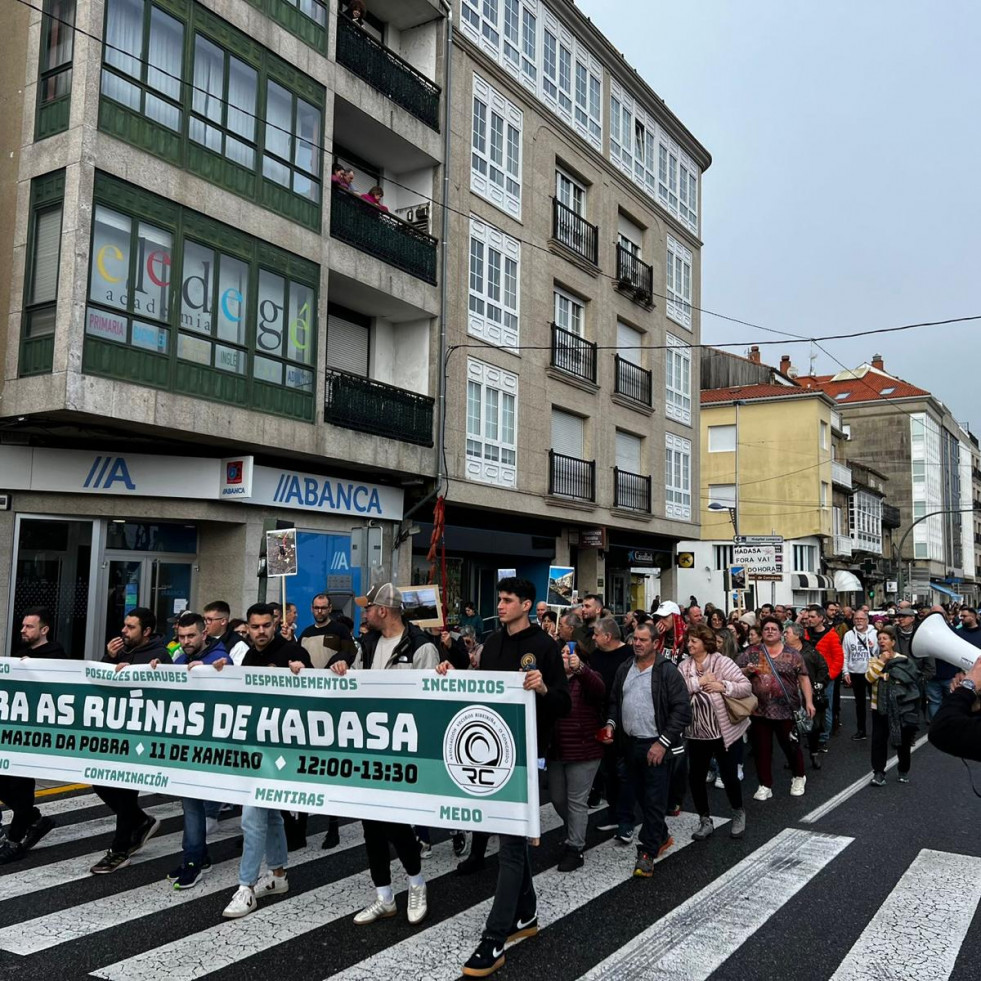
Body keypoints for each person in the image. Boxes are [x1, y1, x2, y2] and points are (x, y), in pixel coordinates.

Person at [444, 577, 569, 979]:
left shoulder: (546, 647)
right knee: (508, 838)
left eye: (507, 600)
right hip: (491, 757)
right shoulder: (493, 643)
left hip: (525, 758)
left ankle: (494, 939)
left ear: (527, 605)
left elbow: (563, 703)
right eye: (498, 598)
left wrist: (544, 687)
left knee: (512, 846)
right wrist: (452, 672)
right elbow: (480, 689)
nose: (499, 605)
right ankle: (527, 912)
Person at [331, 583, 438, 927]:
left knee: (394, 822)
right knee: (371, 826)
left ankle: (417, 882)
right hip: (370, 745)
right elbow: (357, 685)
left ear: (383, 610)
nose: (363, 613)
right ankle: (384, 896)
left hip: (403, 748)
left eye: (367, 607)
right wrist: (342, 671)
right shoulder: (368, 644)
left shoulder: (421, 647)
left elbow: (430, 701)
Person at [222, 604, 310, 917]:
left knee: (251, 817)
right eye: (255, 626)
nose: (260, 631)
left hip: (282, 752)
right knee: (270, 815)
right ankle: (278, 876)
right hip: (256, 749)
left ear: (274, 625)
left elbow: (315, 694)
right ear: (247, 626)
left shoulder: (292, 650)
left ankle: (246, 886)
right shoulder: (247, 656)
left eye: (265, 626)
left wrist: (299, 673)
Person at [602, 622, 691, 878]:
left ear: (655, 643)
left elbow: (682, 710)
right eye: (635, 639)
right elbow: (614, 702)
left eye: (643, 640)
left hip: (656, 745)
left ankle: (647, 852)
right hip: (629, 745)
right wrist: (611, 724)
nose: (637, 644)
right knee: (639, 795)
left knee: (654, 800)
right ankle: (661, 836)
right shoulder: (624, 669)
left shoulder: (667, 672)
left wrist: (662, 743)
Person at [90, 607, 172, 874]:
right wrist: (108, 658)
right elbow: (100, 685)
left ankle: (119, 849)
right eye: (124, 625)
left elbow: (167, 692)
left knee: (125, 793)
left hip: (142, 736)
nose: (123, 631)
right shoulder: (121, 650)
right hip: (117, 732)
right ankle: (141, 821)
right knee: (100, 781)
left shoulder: (160, 655)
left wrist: (140, 672)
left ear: (146, 631)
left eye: (130, 627)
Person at [154, 612, 227, 890]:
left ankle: (193, 861)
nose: (185, 642)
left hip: (212, 746)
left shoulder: (220, 657)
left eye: (191, 636)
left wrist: (215, 670)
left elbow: (226, 670)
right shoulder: (179, 659)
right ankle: (198, 855)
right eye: (181, 637)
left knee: (194, 805)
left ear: (204, 634)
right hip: (190, 745)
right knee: (190, 803)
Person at [0, 609, 62, 864]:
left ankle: (15, 840)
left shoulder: (56, 656)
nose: (23, 630)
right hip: (14, 730)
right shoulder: (20, 654)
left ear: (44, 630)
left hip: (34, 734)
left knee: (21, 785)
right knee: (4, 782)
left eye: (29, 626)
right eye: (23, 626)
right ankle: (34, 819)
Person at [678, 624, 750, 840]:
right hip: (696, 732)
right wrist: (700, 682)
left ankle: (738, 812)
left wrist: (723, 686)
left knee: (729, 776)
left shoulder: (721, 662)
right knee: (696, 778)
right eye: (688, 640)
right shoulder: (684, 666)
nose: (689, 644)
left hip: (724, 732)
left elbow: (745, 686)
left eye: (694, 641)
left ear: (705, 643)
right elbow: (678, 691)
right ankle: (705, 819)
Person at [737, 616, 815, 800]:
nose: (770, 631)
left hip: (787, 709)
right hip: (760, 710)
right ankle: (765, 784)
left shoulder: (792, 654)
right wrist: (747, 671)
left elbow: (804, 678)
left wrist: (809, 702)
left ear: (781, 633)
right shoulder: (754, 652)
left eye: (774, 629)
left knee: (791, 746)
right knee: (762, 750)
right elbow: (737, 672)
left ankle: (798, 776)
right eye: (766, 629)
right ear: (761, 633)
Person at [548, 642, 605, 871]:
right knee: (557, 798)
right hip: (557, 750)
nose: (564, 656)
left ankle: (575, 847)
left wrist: (581, 669)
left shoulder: (588, 678)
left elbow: (599, 689)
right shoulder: (553, 681)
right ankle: (575, 829)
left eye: (568, 652)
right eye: (560, 652)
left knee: (576, 801)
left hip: (584, 750)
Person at [590, 618, 635, 838]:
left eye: (596, 634)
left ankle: (626, 820)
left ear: (608, 636)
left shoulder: (628, 656)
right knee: (608, 771)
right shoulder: (596, 656)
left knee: (623, 772)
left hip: (625, 720)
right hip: (602, 719)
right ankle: (615, 814)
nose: (593, 638)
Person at [867, 625, 920, 786]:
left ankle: (903, 770)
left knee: (902, 741)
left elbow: (907, 678)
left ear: (893, 642)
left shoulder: (903, 660)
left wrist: (883, 676)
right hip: (879, 707)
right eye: (879, 639)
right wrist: (882, 663)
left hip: (900, 707)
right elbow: (869, 678)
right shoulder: (874, 659)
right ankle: (878, 772)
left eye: (885, 639)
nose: (881, 641)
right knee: (878, 741)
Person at [784, 622, 829, 771]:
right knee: (791, 728)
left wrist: (818, 683)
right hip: (790, 695)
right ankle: (793, 759)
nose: (784, 635)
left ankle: (814, 754)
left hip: (809, 695)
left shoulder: (811, 652)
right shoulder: (782, 652)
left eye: (787, 633)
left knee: (812, 727)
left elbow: (823, 668)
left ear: (797, 635)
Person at [804, 605, 843, 752]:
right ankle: (811, 735)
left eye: (812, 617)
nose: (809, 619)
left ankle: (823, 737)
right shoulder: (806, 634)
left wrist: (828, 677)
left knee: (825, 708)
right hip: (807, 677)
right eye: (808, 617)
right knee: (808, 706)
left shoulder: (832, 635)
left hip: (825, 678)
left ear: (821, 618)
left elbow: (838, 659)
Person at [841, 610, 878, 740]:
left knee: (876, 704)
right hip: (856, 673)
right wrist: (845, 672)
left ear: (867, 620)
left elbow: (880, 653)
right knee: (859, 704)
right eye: (856, 619)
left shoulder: (875, 634)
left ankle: (878, 731)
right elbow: (845, 654)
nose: (859, 621)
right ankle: (861, 730)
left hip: (872, 673)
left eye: (862, 619)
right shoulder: (848, 635)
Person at [297, 593, 355, 669]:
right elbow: (297, 655)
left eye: (323, 608)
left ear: (330, 608)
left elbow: (351, 653)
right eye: (316, 608)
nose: (320, 611)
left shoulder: (341, 629)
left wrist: (343, 662)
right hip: (310, 678)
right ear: (312, 608)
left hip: (333, 678)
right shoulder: (306, 633)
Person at [203, 601, 250, 665]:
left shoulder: (238, 645)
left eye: (209, 620)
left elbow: (238, 672)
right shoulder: (203, 640)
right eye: (204, 619)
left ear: (223, 621)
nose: (205, 623)